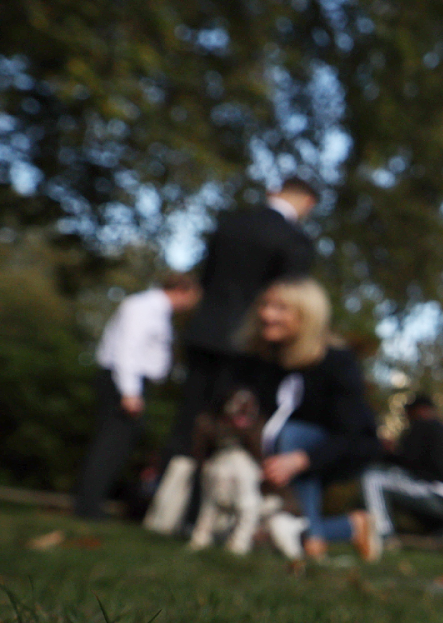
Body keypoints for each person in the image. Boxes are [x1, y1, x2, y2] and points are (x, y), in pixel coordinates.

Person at [159, 178, 319, 482]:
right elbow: (289, 297)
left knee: (188, 418)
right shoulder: (294, 239)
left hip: (204, 332)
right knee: (232, 427)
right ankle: (199, 508)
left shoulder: (231, 223)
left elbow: (207, 278)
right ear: (307, 203)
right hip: (248, 344)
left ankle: (165, 502)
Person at [234, 277, 382, 561]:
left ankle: (311, 540)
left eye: (280, 308)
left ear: (306, 316)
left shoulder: (336, 362)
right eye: (264, 305)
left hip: (338, 449)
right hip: (278, 450)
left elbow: (350, 433)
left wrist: (300, 460)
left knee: (291, 435)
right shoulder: (259, 359)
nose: (266, 314)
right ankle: (350, 526)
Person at [73, 273, 202, 518]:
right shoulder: (143, 307)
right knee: (110, 445)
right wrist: (130, 391)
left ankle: (92, 504)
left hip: (131, 383)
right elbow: (128, 349)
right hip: (124, 382)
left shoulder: (157, 311)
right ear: (183, 290)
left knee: (117, 446)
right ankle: (88, 508)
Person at [360, 394, 443, 558]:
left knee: (373, 478)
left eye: (409, 413)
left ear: (419, 410)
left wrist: (387, 451)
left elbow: (407, 462)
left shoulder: (422, 426)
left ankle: (384, 535)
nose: (407, 418)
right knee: (410, 489)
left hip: (438, 493)